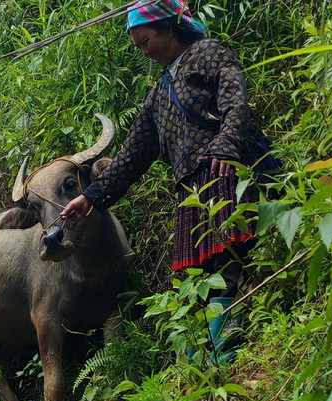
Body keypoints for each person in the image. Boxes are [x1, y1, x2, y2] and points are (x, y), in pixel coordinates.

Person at [60, 0, 273, 361]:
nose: (143, 51)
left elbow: (236, 102)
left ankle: (233, 356)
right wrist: (91, 196)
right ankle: (205, 365)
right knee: (197, 281)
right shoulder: (159, 94)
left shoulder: (210, 53)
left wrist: (224, 146)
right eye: (137, 45)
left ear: (168, 30)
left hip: (223, 175)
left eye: (145, 41)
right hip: (190, 193)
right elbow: (131, 155)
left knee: (227, 265)